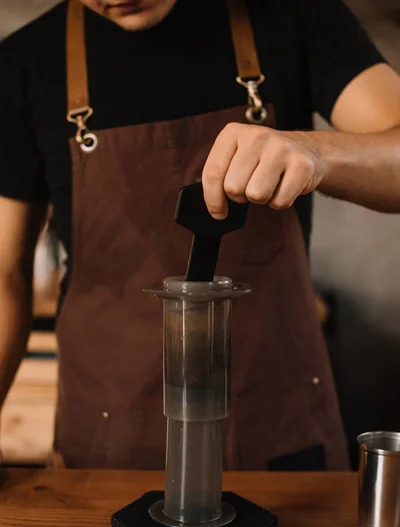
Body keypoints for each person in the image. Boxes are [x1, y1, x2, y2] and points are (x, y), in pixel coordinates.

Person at [0, 0, 399, 471]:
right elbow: (4, 276)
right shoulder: (23, 64)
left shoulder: (294, 14)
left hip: (281, 434)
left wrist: (317, 152)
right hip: (109, 442)